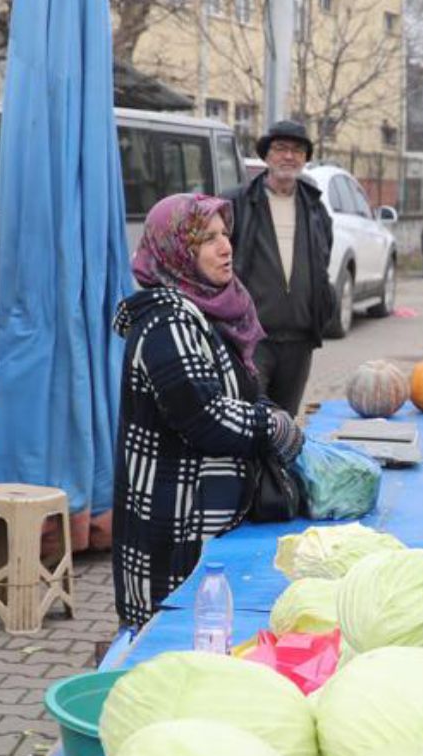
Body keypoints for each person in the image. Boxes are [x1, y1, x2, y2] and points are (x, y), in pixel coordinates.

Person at [112, 193, 304, 629]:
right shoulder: (169, 321)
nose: (225, 247)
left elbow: (237, 390)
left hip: (205, 528)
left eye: (225, 234)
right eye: (207, 239)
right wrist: (275, 426)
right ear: (177, 251)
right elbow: (206, 418)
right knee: (174, 645)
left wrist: (266, 412)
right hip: (176, 532)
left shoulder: (206, 310)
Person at [224, 119, 336, 415]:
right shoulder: (238, 203)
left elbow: (322, 266)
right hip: (251, 339)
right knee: (252, 418)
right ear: (266, 155)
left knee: (285, 423)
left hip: (300, 340)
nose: (289, 156)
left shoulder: (315, 209)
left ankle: (280, 465)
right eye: (281, 148)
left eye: (297, 150)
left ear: (305, 158)